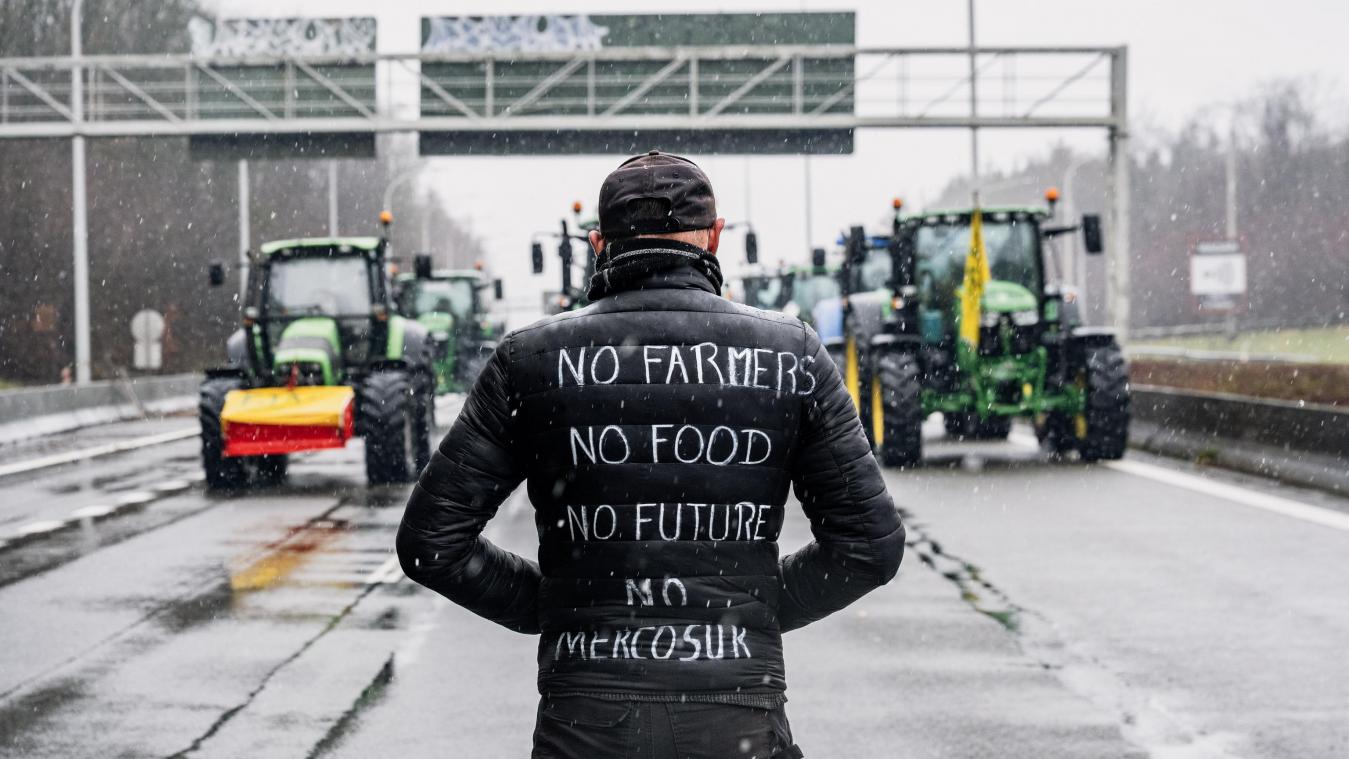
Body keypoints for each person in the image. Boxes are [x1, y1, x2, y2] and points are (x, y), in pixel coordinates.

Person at [397, 151, 905, 758]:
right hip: (736, 713)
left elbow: (433, 543)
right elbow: (869, 548)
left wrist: (558, 607)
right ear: (715, 238)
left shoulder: (527, 360)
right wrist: (749, 612)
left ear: (597, 243)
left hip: (586, 717)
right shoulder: (789, 354)